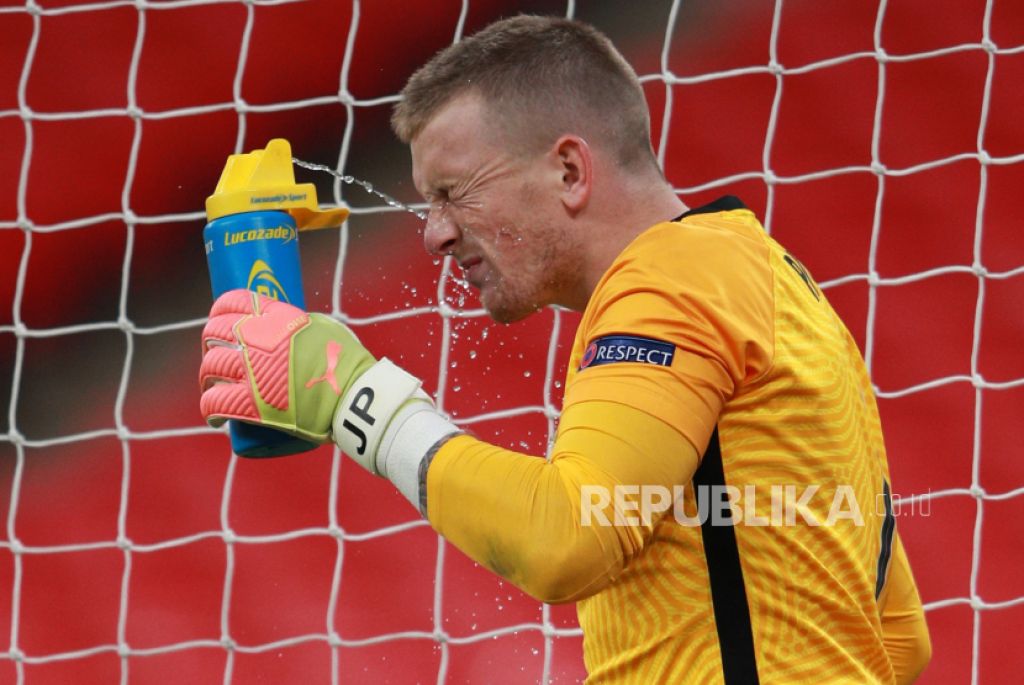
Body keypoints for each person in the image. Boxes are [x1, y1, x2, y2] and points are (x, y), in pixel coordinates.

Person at [199, 15, 932, 684]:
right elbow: (898, 635)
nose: (434, 232)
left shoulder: (670, 282)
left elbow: (567, 538)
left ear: (570, 171)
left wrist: (355, 395)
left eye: (454, 191)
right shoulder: (772, 278)